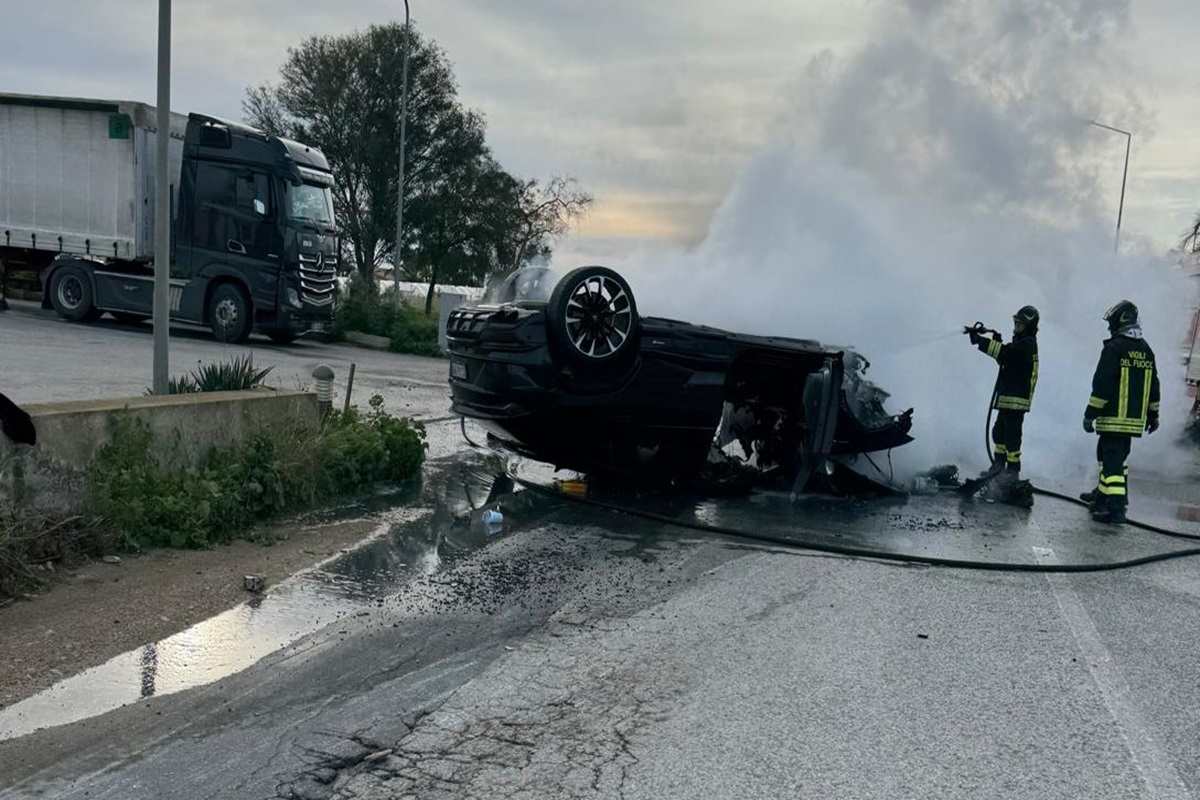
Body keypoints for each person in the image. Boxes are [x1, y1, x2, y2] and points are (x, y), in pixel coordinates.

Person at [1081, 300, 1160, 524]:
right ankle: (1103, 496)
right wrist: (1153, 414)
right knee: (1110, 459)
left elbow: (1102, 384)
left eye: (1112, 323)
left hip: (1114, 419)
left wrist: (1090, 414)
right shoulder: (1146, 349)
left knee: (1112, 463)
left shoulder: (1114, 348)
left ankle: (1115, 509)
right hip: (1132, 421)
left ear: (1121, 320)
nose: (1109, 327)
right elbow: (1154, 384)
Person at [966, 306, 1040, 488]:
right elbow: (1005, 358)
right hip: (1008, 397)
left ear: (1029, 326)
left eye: (1020, 324)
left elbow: (1005, 354)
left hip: (1017, 400)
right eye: (1015, 323)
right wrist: (996, 342)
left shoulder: (1028, 343)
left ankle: (1012, 472)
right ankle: (998, 466)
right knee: (998, 433)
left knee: (1012, 437)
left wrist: (980, 342)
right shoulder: (1021, 342)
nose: (1016, 326)